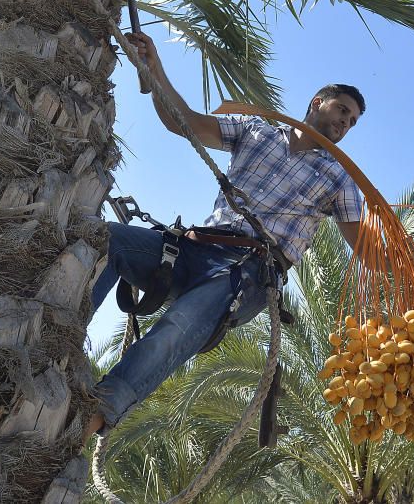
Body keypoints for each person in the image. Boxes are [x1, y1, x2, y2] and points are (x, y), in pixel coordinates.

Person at [84, 31, 367, 440]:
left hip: (249, 273)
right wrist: (153, 65)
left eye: (352, 121)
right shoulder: (257, 131)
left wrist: (403, 261)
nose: (345, 122)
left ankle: (94, 413)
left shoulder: (339, 178)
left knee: (176, 330)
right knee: (106, 239)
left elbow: (364, 248)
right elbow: (183, 122)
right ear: (317, 103)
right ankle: (57, 344)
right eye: (342, 110)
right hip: (197, 248)